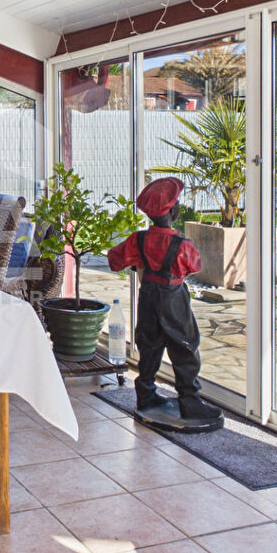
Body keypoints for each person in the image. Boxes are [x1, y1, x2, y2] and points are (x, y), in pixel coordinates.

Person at [106, 177, 224, 432]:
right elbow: (194, 267)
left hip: (148, 298)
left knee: (149, 345)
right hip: (173, 299)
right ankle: (190, 401)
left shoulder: (138, 240)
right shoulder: (183, 246)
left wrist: (138, 262)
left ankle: (146, 394)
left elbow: (114, 260)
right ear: (173, 211)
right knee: (185, 347)